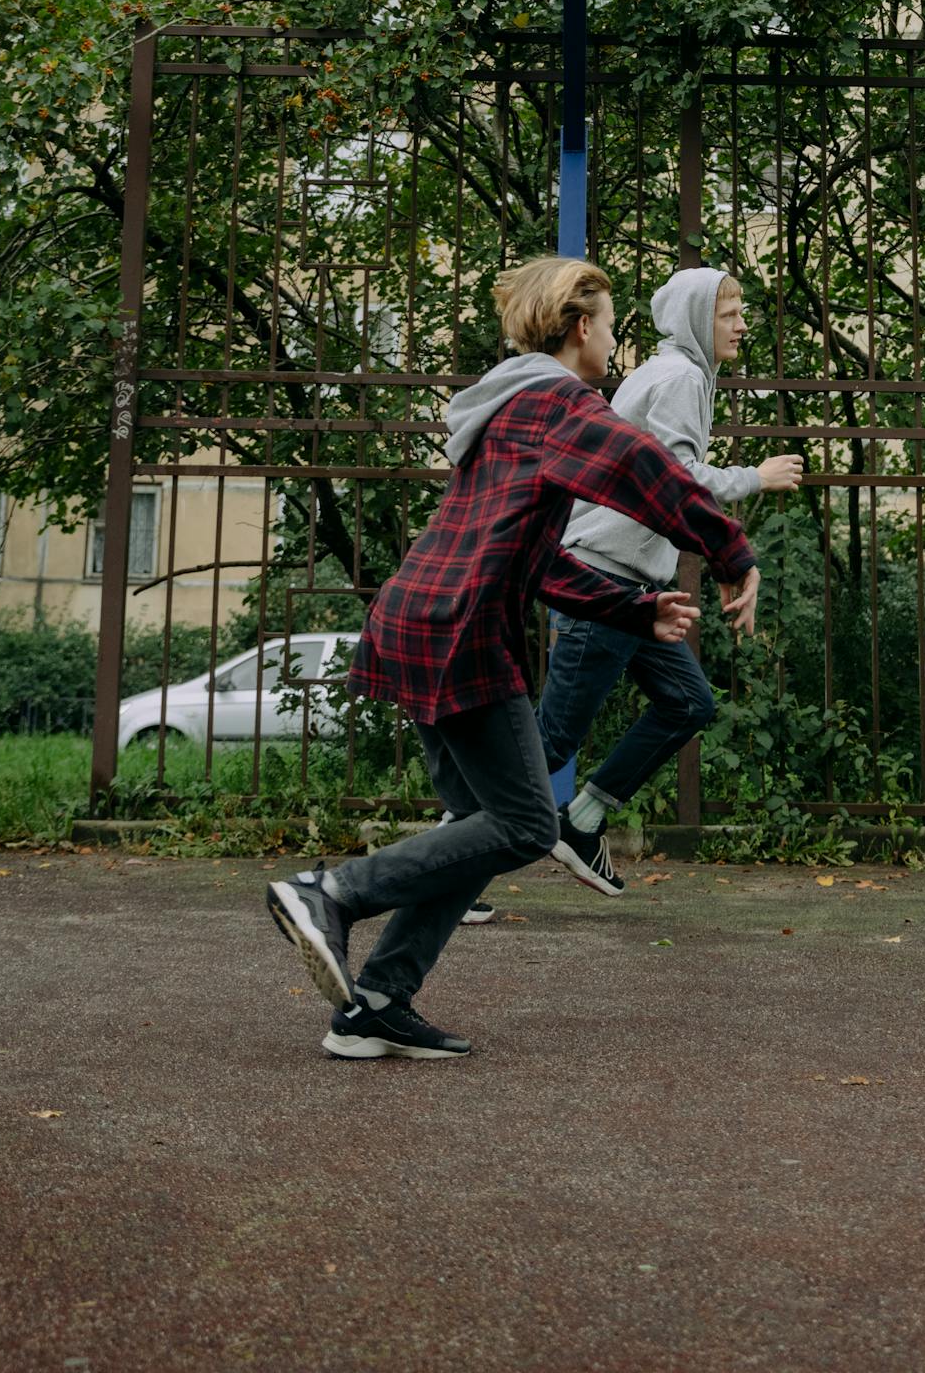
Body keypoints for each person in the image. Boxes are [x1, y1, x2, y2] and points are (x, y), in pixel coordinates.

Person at [265, 255, 759, 1061]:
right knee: (528, 825)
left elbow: (537, 561)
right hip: (462, 631)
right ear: (577, 326)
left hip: (422, 619)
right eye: (606, 324)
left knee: (479, 826)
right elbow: (646, 469)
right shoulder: (557, 401)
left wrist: (631, 606)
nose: (612, 341)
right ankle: (333, 893)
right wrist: (731, 552)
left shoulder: (513, 407)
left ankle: (380, 1002)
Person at [542, 268, 801, 895]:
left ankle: (581, 822)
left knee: (688, 702)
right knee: (546, 742)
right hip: (604, 579)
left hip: (637, 586)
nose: (743, 325)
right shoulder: (682, 377)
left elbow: (657, 489)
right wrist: (752, 478)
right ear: (693, 319)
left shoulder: (670, 374)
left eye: (742, 312)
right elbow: (677, 478)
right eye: (729, 314)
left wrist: (716, 556)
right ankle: (443, 860)